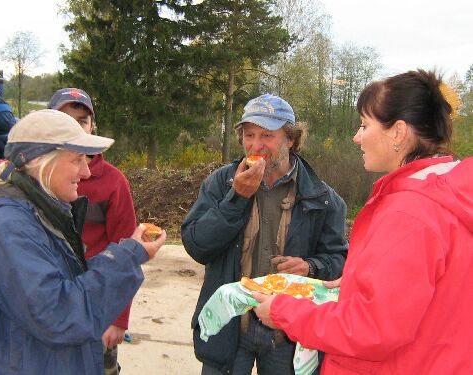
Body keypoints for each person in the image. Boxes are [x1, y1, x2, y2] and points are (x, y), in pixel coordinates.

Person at [254, 70, 473, 374]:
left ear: (398, 133)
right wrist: (362, 281)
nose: (357, 137)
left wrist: (284, 312)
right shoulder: (452, 194)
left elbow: (372, 329)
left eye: (364, 124)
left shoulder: (410, 213)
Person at [0, 109, 167, 375]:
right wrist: (128, 258)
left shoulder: (42, 213)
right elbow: (60, 314)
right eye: (77, 160)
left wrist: (129, 251)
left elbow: (65, 285)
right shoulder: (10, 228)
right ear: (42, 161)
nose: (86, 172)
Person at [181, 94, 348, 374]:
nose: (255, 145)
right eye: (249, 135)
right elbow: (197, 245)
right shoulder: (222, 183)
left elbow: (339, 261)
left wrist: (311, 266)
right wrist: (236, 198)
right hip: (231, 330)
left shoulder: (323, 197)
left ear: (290, 139)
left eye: (267, 135)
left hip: (287, 337)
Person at [47, 88, 136, 375]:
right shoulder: (30, 173)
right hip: (46, 303)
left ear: (92, 126)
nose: (74, 127)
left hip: (97, 305)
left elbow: (127, 252)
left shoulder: (113, 181)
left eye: (81, 120)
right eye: (65, 119)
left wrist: (119, 317)